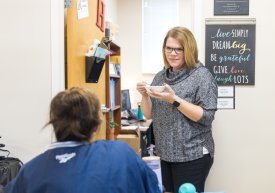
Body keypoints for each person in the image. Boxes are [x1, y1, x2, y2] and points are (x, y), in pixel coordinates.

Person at [4, 87, 161, 193]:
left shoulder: (29, 172)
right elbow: (154, 188)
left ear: (53, 122)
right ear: (96, 124)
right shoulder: (120, 154)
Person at [136, 26, 218, 193]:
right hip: (164, 154)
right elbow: (149, 114)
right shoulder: (160, 76)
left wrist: (175, 100)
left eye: (178, 49)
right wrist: (145, 96)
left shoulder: (201, 76)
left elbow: (206, 116)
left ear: (188, 50)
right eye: (169, 48)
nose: (172, 53)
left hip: (192, 155)